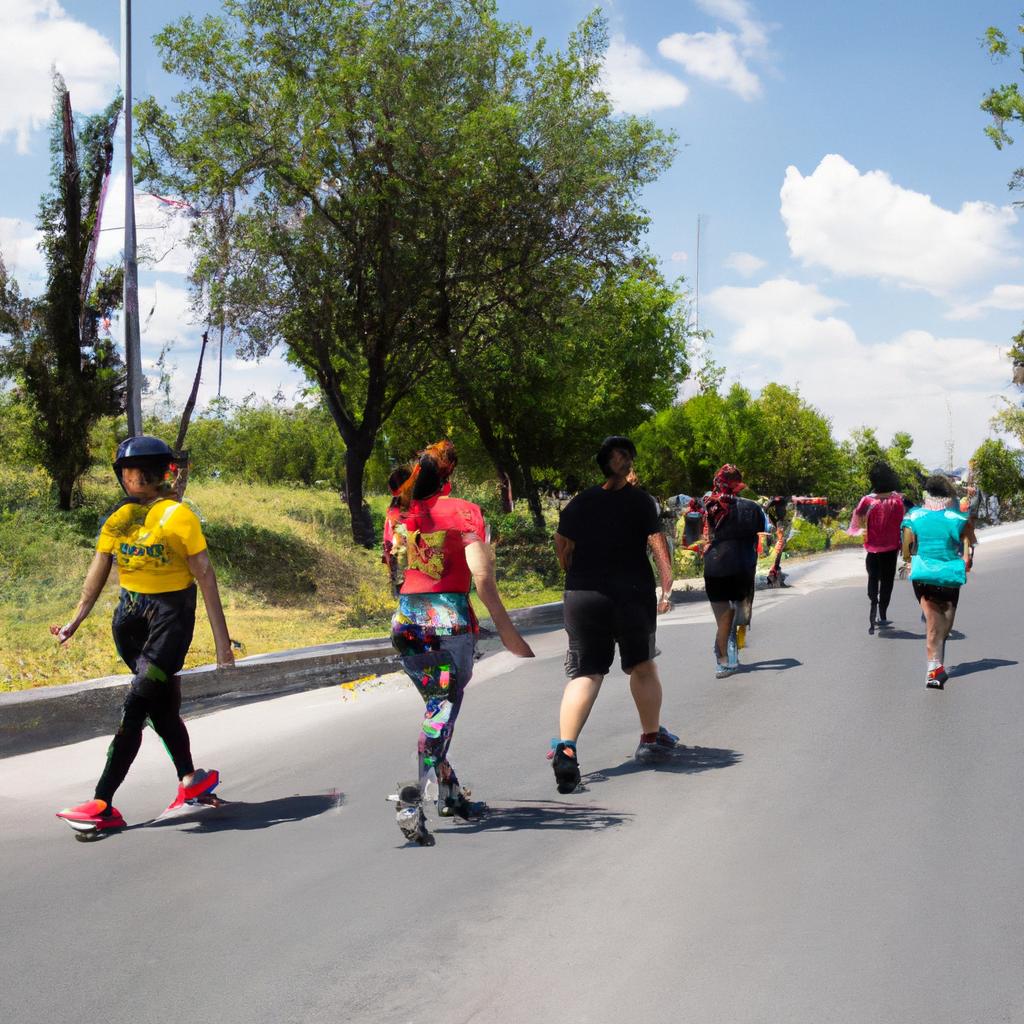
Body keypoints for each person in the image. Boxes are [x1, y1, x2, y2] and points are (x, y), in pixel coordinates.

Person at [54, 436, 234, 834]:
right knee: (161, 705)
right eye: (126, 471)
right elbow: (99, 567)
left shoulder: (179, 516)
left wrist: (223, 643)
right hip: (129, 625)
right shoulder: (119, 518)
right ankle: (190, 781)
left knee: (136, 705)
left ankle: (103, 802)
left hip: (169, 623)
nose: (128, 478)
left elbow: (205, 575)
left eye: (128, 471)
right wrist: (76, 619)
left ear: (142, 474)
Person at [383, 440, 534, 843]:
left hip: (407, 621)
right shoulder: (465, 511)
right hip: (449, 623)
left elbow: (394, 563)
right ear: (449, 475)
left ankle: (450, 795)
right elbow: (481, 576)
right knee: (442, 710)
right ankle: (412, 797)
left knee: (438, 709)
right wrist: (507, 630)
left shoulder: (398, 511)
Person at [550, 436, 676, 795]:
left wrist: (569, 565)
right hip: (630, 594)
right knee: (641, 665)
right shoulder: (641, 502)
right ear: (628, 463)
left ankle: (566, 748)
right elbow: (656, 542)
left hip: (582, 595)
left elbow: (562, 542)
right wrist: (666, 585)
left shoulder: (580, 502)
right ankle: (651, 738)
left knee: (586, 673)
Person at [901, 474, 976, 689]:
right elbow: (969, 547)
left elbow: (907, 545)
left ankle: (936, 665)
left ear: (928, 495)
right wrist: (967, 560)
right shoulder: (958, 518)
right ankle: (934, 668)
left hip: (923, 573)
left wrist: (908, 560)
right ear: (948, 495)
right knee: (944, 620)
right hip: (949, 575)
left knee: (933, 618)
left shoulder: (913, 516)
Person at [699, 465, 769, 678]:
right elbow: (764, 535)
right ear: (738, 482)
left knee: (723, 619)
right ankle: (732, 653)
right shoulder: (753, 507)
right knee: (738, 613)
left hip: (715, 568)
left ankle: (724, 662)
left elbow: (699, 539)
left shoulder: (708, 506)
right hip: (743, 568)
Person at [848, 461, 905, 633]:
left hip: (872, 547)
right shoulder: (897, 500)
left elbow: (856, 518)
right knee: (887, 581)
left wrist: (858, 531)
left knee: (873, 577)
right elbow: (903, 522)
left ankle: (874, 602)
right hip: (891, 547)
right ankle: (883, 612)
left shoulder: (867, 500)